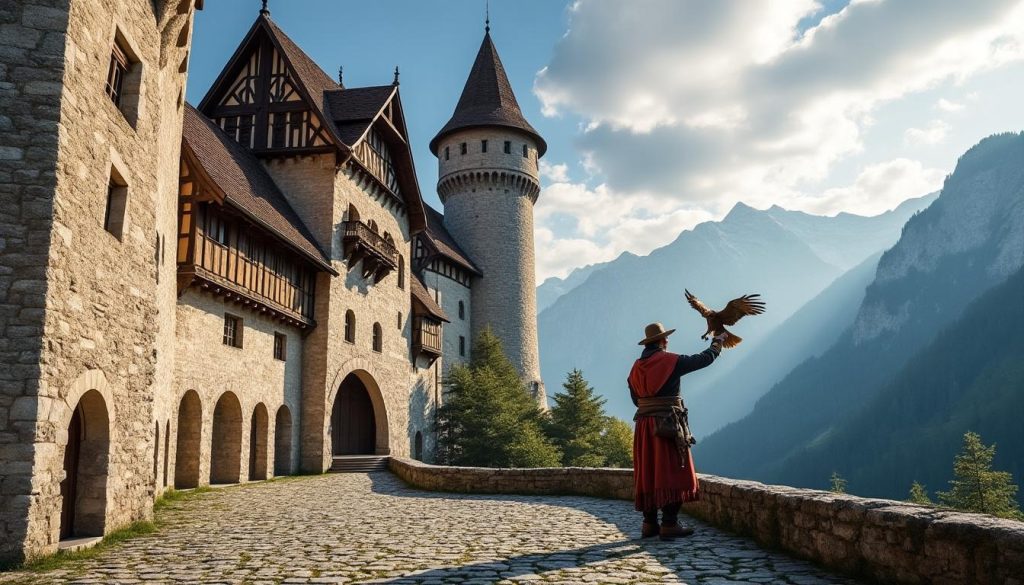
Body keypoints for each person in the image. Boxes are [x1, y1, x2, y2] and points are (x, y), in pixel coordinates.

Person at [628, 322, 724, 540]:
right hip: (668, 426)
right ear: (663, 341)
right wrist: (718, 342)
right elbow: (704, 359)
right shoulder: (670, 361)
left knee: (648, 472)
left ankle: (649, 524)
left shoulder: (635, 367)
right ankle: (670, 523)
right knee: (674, 470)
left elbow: (636, 400)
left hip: (643, 426)